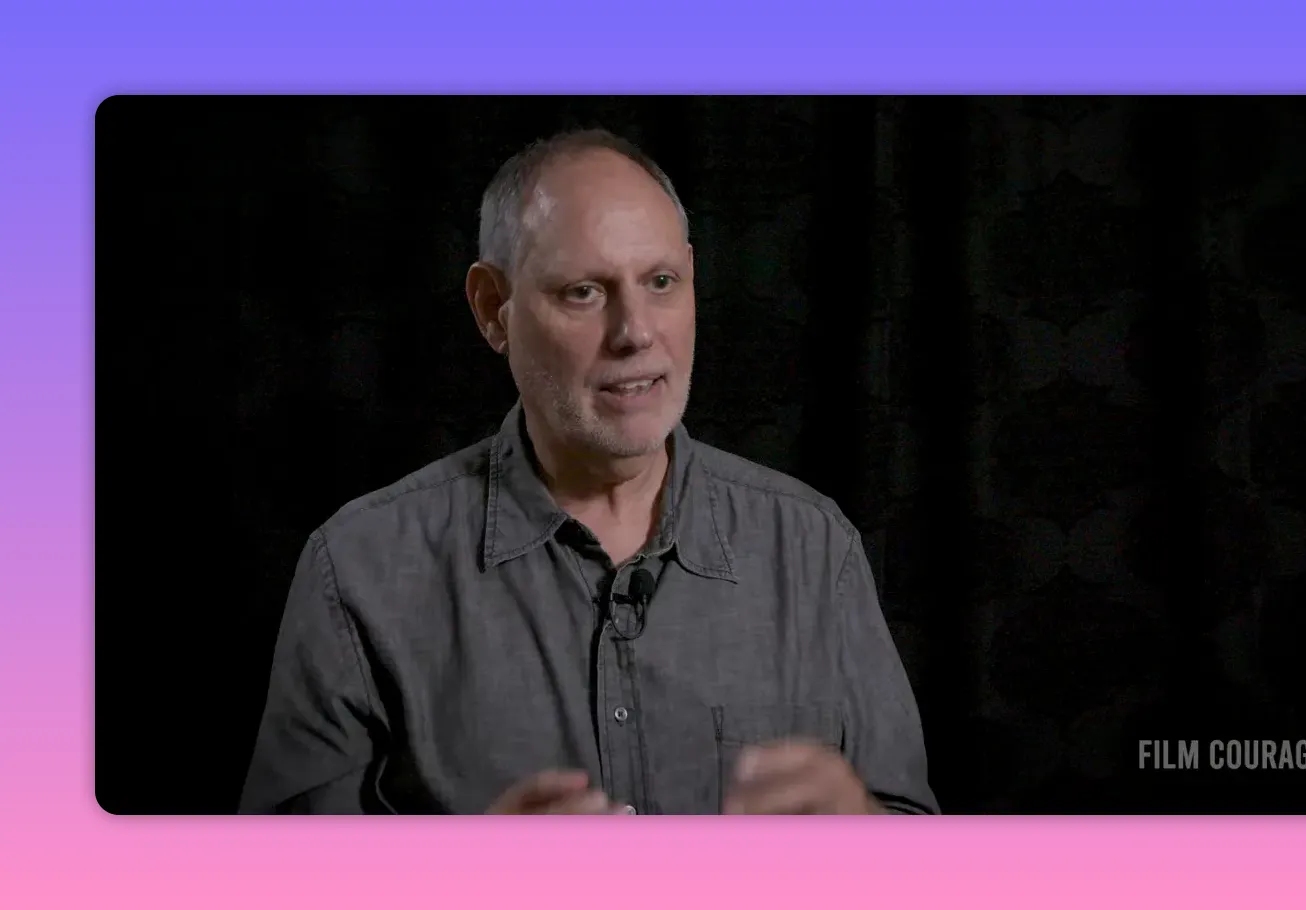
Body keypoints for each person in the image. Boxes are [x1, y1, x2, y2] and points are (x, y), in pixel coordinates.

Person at [238, 128, 937, 815]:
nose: (636, 331)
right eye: (584, 292)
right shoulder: (358, 569)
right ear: (492, 310)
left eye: (661, 282)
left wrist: (862, 833)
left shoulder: (815, 548)